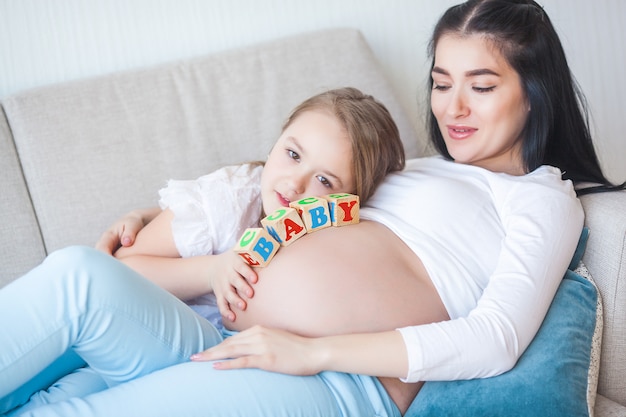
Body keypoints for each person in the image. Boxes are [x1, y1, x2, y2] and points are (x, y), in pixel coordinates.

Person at [2, 1, 625, 416]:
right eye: (441, 82)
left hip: (332, 383)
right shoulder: (414, 168)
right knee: (76, 275)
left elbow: (495, 341)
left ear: (534, 92)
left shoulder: (542, 198)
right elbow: (280, 185)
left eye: (481, 87)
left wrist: (312, 352)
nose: (453, 108)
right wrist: (153, 214)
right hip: (223, 329)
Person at [101, 86, 405, 326]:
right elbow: (119, 269)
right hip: (147, 319)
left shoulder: (334, 238)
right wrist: (211, 271)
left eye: (324, 181)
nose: (295, 184)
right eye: (294, 154)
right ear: (277, 141)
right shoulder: (230, 197)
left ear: (347, 202)